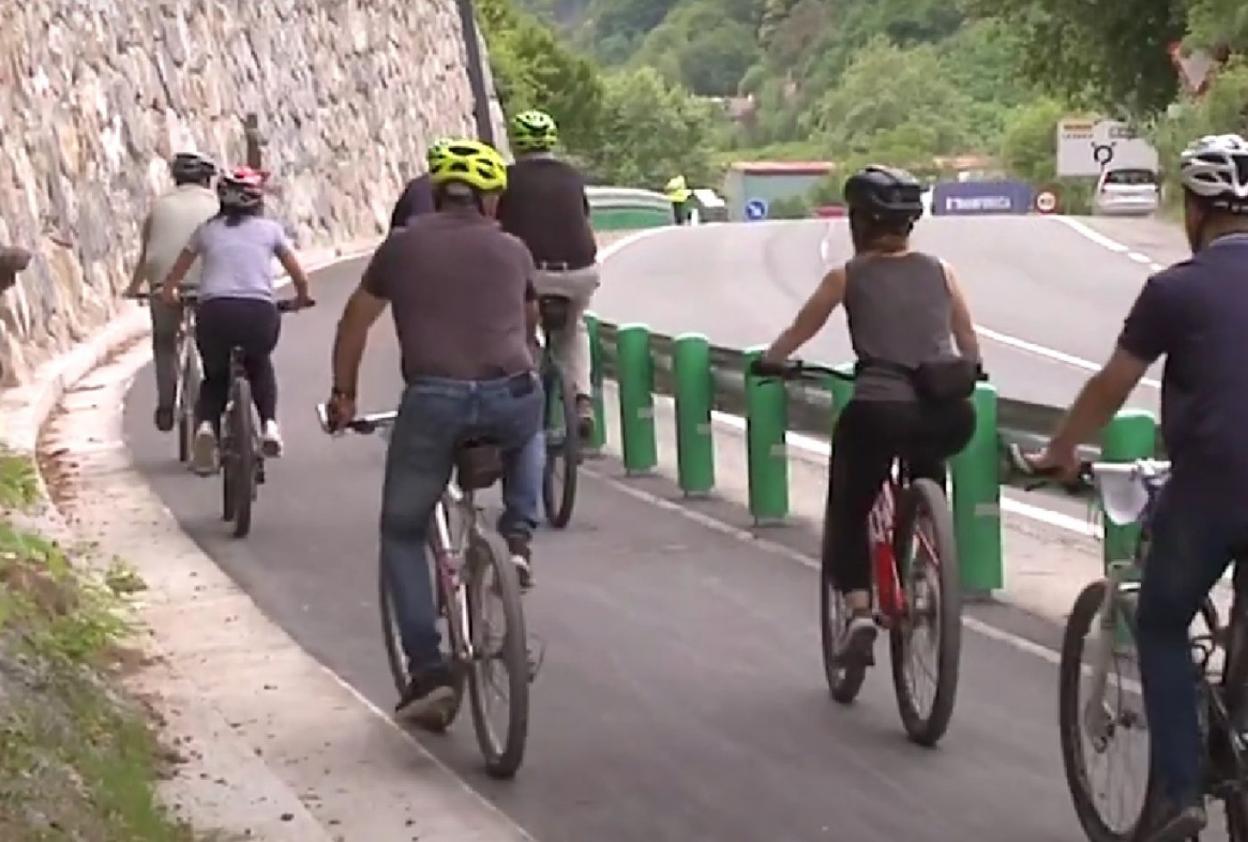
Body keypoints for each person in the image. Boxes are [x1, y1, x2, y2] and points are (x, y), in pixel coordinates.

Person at [1027, 134, 1248, 842]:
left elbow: (1113, 385)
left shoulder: (1174, 289)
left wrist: (1063, 448)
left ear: (1193, 209)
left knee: (1158, 620)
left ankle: (1181, 795)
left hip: (1215, 481)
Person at [326, 138, 544, 725]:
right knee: (532, 416)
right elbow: (527, 329)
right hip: (508, 394)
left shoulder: (401, 247)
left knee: (401, 528)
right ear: (490, 197)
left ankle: (427, 672)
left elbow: (355, 321)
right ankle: (519, 532)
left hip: (434, 400)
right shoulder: (513, 249)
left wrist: (344, 396)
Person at [756, 164, 981, 665]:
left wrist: (771, 361)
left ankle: (858, 609)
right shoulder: (942, 271)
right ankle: (926, 559)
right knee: (927, 463)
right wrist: (972, 367)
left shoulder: (847, 276)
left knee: (848, 509)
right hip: (948, 412)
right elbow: (968, 343)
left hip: (879, 410)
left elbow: (799, 330)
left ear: (859, 222)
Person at [160, 166, 314, 474]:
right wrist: (301, 298)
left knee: (216, 376)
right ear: (257, 202)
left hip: (214, 312)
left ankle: (205, 426)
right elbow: (299, 275)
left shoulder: (206, 231)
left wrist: (170, 294)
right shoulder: (270, 231)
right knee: (259, 364)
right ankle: (269, 425)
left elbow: (173, 279)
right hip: (259, 312)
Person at [496, 109, 599, 438]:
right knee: (574, 328)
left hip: (532, 275)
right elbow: (584, 217)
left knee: (517, 327)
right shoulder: (571, 176)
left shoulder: (505, 179)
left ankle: (522, 394)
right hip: (580, 272)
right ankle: (582, 400)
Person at [124, 152, 220, 432]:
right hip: (208, 285)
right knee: (213, 342)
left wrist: (133, 289)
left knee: (164, 342)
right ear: (206, 180)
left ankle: (166, 403)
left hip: (163, 285)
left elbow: (146, 255)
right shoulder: (216, 205)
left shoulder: (159, 206)